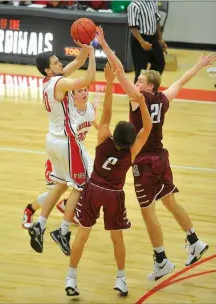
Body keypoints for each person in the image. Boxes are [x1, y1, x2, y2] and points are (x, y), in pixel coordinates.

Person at [96, 27, 216, 281]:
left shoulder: (137, 98)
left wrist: (104, 45)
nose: (135, 82)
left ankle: (161, 259)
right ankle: (194, 240)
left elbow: (117, 69)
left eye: (139, 80)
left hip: (144, 161)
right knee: (170, 200)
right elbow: (181, 81)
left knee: (147, 210)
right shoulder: (163, 98)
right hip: (162, 158)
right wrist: (199, 65)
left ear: (148, 86)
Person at [64, 62, 152, 297]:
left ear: (114, 134)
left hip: (93, 190)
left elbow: (107, 113)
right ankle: (121, 279)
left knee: (82, 234)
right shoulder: (131, 152)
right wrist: (142, 103)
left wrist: (111, 83)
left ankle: (71, 278)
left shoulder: (103, 139)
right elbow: (148, 127)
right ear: (130, 141)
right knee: (117, 238)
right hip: (114, 196)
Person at [28, 43, 96, 254]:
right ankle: (63, 231)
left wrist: (85, 49)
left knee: (58, 185)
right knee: (80, 186)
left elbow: (77, 62)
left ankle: (39, 224)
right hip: (68, 141)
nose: (60, 63)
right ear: (49, 69)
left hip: (52, 141)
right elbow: (87, 80)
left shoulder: (49, 80)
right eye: (56, 62)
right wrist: (93, 55)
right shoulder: (59, 83)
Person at [22, 86, 98, 229]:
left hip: (79, 152)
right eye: (79, 90)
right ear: (72, 96)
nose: (84, 93)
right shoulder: (67, 113)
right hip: (63, 153)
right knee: (57, 190)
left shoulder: (91, 108)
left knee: (94, 180)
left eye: (85, 90)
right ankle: (30, 209)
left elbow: (92, 120)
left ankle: (67, 204)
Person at [127, 0, 167, 83]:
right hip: (139, 39)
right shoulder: (134, 5)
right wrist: (142, 42)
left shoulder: (153, 2)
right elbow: (133, 27)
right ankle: (137, 94)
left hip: (153, 37)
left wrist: (160, 39)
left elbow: (157, 22)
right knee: (140, 70)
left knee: (160, 63)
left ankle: (149, 87)